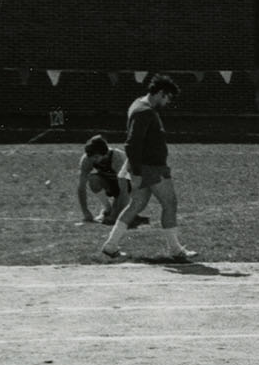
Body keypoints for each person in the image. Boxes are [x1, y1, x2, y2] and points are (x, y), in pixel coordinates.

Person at [101, 76, 191, 262]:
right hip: (151, 168)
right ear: (159, 93)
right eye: (167, 98)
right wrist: (137, 173)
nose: (167, 102)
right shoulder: (145, 112)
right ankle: (175, 250)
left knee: (136, 205)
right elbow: (132, 144)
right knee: (170, 203)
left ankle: (110, 246)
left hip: (146, 166)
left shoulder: (138, 105)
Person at [75, 133, 127, 226]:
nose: (92, 160)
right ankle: (107, 209)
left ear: (105, 154)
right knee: (93, 180)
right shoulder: (87, 159)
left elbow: (124, 190)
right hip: (113, 185)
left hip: (129, 188)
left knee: (115, 218)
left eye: (95, 157)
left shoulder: (117, 158)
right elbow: (81, 187)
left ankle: (117, 211)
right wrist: (85, 211)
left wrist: (114, 215)